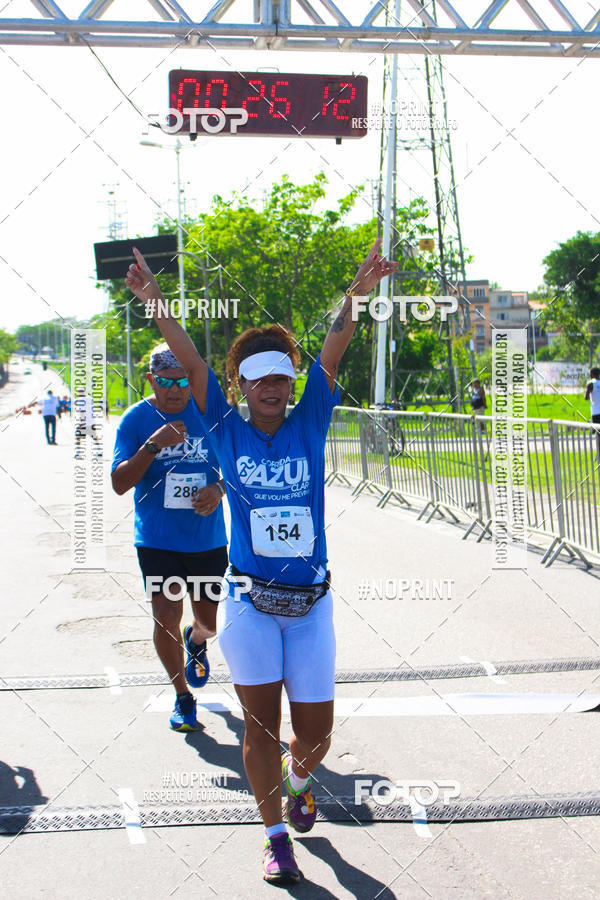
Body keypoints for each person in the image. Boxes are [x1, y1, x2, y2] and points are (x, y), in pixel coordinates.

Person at [125, 239, 396, 884]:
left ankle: (300, 784)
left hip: (309, 608)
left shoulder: (310, 422)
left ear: (293, 383)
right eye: (259, 379)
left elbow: (334, 348)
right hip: (247, 604)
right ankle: (275, 835)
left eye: (282, 378)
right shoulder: (222, 425)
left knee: (318, 736)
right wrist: (157, 304)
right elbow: (189, 360)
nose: (272, 389)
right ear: (240, 384)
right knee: (260, 730)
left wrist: (355, 294)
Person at [111, 342, 229, 731]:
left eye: (182, 380)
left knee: (207, 622)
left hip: (206, 539)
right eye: (166, 382)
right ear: (151, 380)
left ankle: (196, 641)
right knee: (164, 616)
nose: (176, 390)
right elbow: (119, 483)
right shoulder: (136, 419)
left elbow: (241, 467)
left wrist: (219, 490)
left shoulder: (211, 415)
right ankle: (182, 696)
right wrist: (153, 444)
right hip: (157, 539)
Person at [584, 366, 600, 460]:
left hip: (596, 412)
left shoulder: (590, 384)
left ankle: (598, 454)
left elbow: (586, 397)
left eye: (590, 373)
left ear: (593, 374)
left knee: (598, 434)